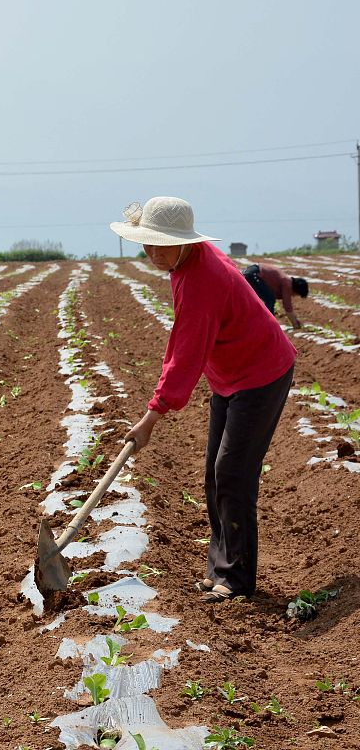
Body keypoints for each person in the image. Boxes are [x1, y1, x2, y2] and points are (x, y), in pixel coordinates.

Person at [111, 197, 295, 603]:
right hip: (229, 377)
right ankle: (219, 570)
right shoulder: (184, 262)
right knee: (215, 473)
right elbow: (184, 345)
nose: (154, 254)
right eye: (148, 244)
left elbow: (185, 355)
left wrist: (150, 418)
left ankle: (238, 577)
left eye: (162, 244)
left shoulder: (201, 280)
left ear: (185, 242)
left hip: (262, 373)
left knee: (232, 472)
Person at [241, 263, 308, 329]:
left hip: (250, 272)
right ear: (296, 290)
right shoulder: (288, 284)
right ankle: (269, 324)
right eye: (296, 295)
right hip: (253, 274)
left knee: (257, 300)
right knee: (270, 299)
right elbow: (287, 306)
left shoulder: (285, 281)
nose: (293, 296)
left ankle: (258, 322)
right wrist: (295, 323)